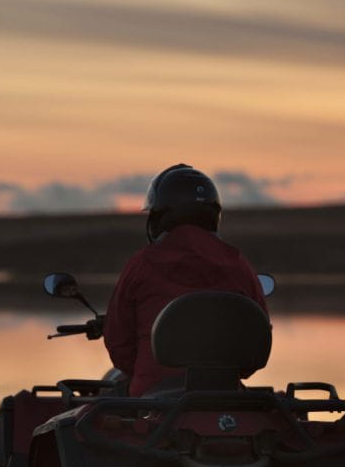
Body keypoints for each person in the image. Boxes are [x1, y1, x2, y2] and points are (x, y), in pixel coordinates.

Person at [103, 164, 268, 397]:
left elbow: (119, 343)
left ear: (158, 218)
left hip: (152, 397)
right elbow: (255, 344)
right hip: (225, 395)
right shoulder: (240, 266)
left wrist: (148, 371)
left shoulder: (141, 265)